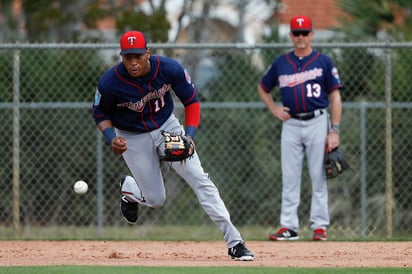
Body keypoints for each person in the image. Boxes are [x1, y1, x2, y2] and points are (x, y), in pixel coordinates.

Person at [92, 30, 254, 260]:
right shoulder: (110, 82)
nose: (133, 62)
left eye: (138, 55)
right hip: (132, 136)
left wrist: (188, 135)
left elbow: (191, 101)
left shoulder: (169, 68)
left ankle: (235, 242)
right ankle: (130, 189)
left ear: (148, 52)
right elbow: (99, 113)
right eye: (128, 57)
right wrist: (111, 138)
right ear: (122, 57)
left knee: (200, 179)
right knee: (157, 200)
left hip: (167, 127)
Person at [257, 15, 343, 241]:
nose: (301, 37)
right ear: (291, 35)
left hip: (317, 122)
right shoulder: (281, 63)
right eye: (297, 32)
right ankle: (288, 226)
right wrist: (274, 109)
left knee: (319, 175)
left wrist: (334, 130)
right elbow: (263, 87)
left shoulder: (324, 61)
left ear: (312, 34)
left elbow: (335, 97)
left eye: (305, 32)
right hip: (291, 123)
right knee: (290, 177)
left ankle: (320, 226)